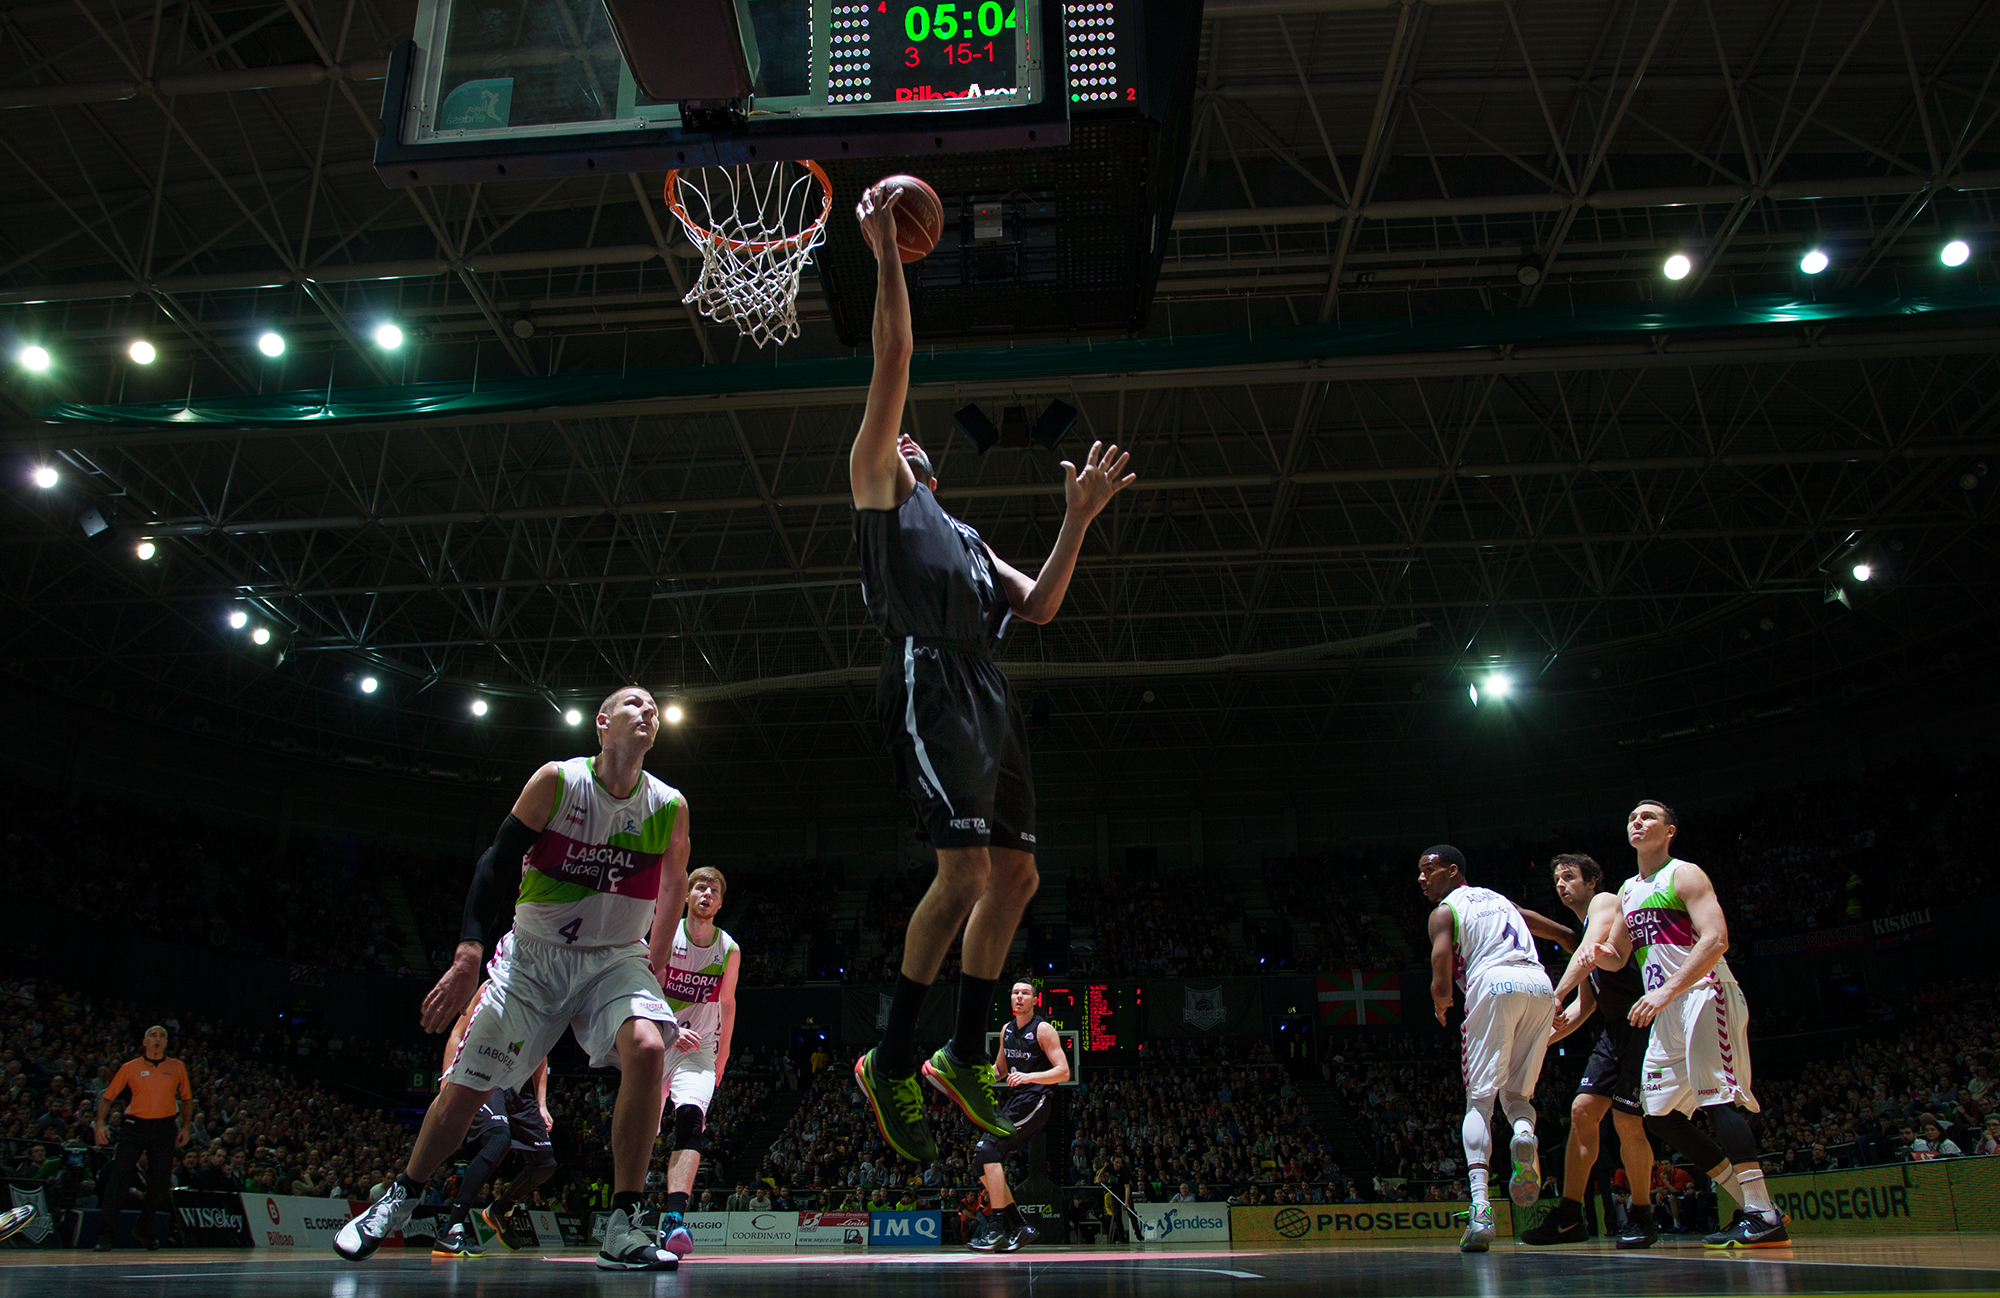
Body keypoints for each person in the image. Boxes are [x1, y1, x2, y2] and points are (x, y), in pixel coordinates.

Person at [845, 178, 1137, 1164]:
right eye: (903, 429)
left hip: (989, 689)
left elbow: (1042, 603)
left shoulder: (961, 532)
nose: (911, 433)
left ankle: (962, 1051)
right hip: (929, 674)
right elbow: (893, 354)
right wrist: (885, 248)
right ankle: (890, 1055)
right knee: (963, 867)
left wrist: (1076, 521)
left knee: (1016, 874)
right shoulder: (879, 485)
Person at [334, 686, 689, 1271]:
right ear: (602, 723)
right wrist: (468, 952)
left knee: (650, 1048)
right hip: (534, 955)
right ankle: (403, 1194)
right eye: (633, 704)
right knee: (467, 1090)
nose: (648, 712)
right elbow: (496, 862)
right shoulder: (558, 781)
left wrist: (655, 957)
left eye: (654, 708)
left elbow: (674, 882)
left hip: (615, 957)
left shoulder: (669, 806)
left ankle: (624, 1223)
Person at [1577, 799, 1789, 1249]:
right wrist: (1595, 953)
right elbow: (1616, 955)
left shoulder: (1685, 874)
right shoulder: (1628, 890)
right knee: (1660, 1116)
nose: (1637, 821)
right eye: (1632, 816)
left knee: (1716, 1099)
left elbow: (1716, 939)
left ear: (1670, 831)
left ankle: (1763, 1213)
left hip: (1702, 994)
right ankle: (1758, 1207)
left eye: (1648, 816)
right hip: (1665, 1009)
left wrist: (1666, 990)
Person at [1417, 845, 1556, 1254]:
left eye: (1429, 870)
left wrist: (1441, 1002)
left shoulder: (1445, 911)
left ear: (1453, 871)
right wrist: (1575, 944)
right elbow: (1549, 928)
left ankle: (1481, 1211)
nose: (1422, 878)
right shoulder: (1500, 901)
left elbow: (1440, 965)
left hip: (1492, 984)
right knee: (1518, 1095)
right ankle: (1525, 1134)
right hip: (1540, 984)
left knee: (1479, 1101)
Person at [1519, 853, 1658, 1249]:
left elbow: (1586, 962)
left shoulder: (1606, 902)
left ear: (1592, 880)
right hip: (1614, 1031)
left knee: (1627, 1121)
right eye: (1556, 879)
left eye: (1569, 877)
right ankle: (1569, 1216)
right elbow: (1587, 1005)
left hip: (1642, 1022)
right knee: (1582, 1110)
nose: (1561, 885)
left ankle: (1643, 1215)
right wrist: (1541, 1042)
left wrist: (1553, 997)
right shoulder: (1582, 933)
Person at [427, 987, 560, 1257]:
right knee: (499, 1139)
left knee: (545, 1164)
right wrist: (445, 1083)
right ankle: (451, 1229)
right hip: (483, 1074)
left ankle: (499, 1210)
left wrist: (542, 1104)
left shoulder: (544, 996)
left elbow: (539, 1055)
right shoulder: (490, 986)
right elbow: (457, 1033)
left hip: (515, 1087)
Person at [654, 866, 741, 1258]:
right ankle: (628, 1207)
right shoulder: (665, 934)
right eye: (700, 887)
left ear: (720, 903)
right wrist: (671, 1027)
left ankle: (674, 1217)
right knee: (643, 1130)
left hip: (700, 1050)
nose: (707, 894)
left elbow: (727, 1002)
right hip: (658, 1041)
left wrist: (721, 1055)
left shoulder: (729, 948)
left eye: (714, 891)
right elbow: (644, 987)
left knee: (690, 1122)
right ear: (687, 895)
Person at [960, 981, 1069, 1252]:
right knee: (979, 1160)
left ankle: (996, 1228)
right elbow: (999, 1069)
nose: (1019, 996)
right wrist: (977, 1079)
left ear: (1035, 1000)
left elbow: (1063, 1071)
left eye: (1025, 993)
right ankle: (1019, 1226)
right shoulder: (1007, 1030)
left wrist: (1029, 1076)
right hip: (1014, 1102)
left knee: (988, 1148)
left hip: (1036, 1101)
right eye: (1015, 993)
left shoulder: (1043, 1030)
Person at [92, 1025, 192, 1251]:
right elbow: (108, 1098)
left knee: (160, 1183)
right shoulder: (130, 1067)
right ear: (144, 1042)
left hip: (165, 1127)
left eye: (162, 1036)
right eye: (153, 1035)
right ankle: (105, 1234)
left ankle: (144, 1227)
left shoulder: (177, 1067)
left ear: (166, 1042)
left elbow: (186, 1099)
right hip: (135, 1126)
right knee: (118, 1178)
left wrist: (185, 1126)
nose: (157, 1039)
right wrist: (100, 1123)